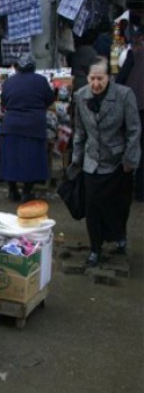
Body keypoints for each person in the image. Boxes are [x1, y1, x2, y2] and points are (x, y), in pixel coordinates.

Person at [71, 56, 142, 266]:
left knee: (118, 206)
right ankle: (95, 248)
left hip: (118, 163)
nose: (96, 84)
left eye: (100, 78)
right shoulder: (81, 96)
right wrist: (76, 161)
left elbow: (133, 129)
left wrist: (130, 159)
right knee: (92, 206)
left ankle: (120, 237)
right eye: (92, 78)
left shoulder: (124, 95)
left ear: (109, 78)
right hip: (92, 162)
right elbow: (80, 132)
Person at [0, 53, 55, 203]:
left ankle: (12, 191)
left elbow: (3, 103)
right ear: (33, 67)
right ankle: (27, 192)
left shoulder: (9, 82)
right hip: (33, 126)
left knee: (11, 160)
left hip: (11, 126)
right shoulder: (41, 81)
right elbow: (49, 99)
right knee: (32, 160)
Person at [115, 27, 144, 202]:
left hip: (135, 105)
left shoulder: (135, 52)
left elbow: (121, 80)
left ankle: (128, 186)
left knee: (131, 143)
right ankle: (141, 190)